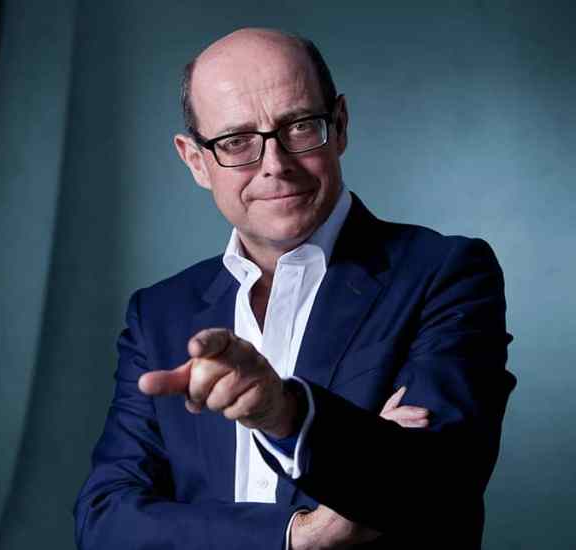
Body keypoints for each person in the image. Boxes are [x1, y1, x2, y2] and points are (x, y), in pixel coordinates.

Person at [73, 27, 516, 550]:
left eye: (301, 126)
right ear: (195, 161)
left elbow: (432, 488)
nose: (275, 165)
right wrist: (296, 536)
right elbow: (106, 520)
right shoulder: (158, 314)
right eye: (236, 142)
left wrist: (286, 413)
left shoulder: (445, 273)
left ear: (340, 125)